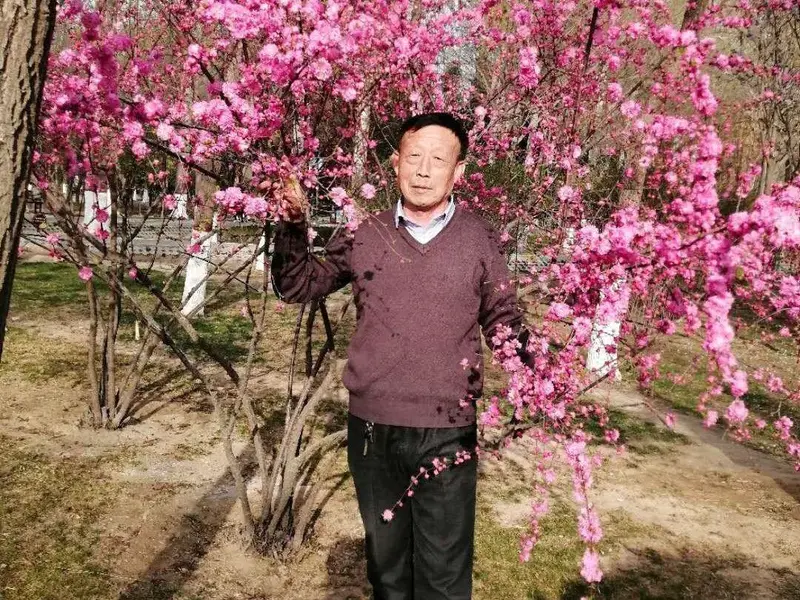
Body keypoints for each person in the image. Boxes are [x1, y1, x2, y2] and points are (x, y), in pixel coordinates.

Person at [271, 112, 525, 600]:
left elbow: (502, 318)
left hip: (449, 428)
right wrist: (293, 224)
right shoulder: (366, 233)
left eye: (438, 160)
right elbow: (298, 285)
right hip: (374, 428)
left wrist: (539, 370)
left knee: (444, 578)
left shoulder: (478, 237)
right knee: (387, 575)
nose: (424, 170)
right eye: (414, 157)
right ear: (395, 163)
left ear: (458, 171)